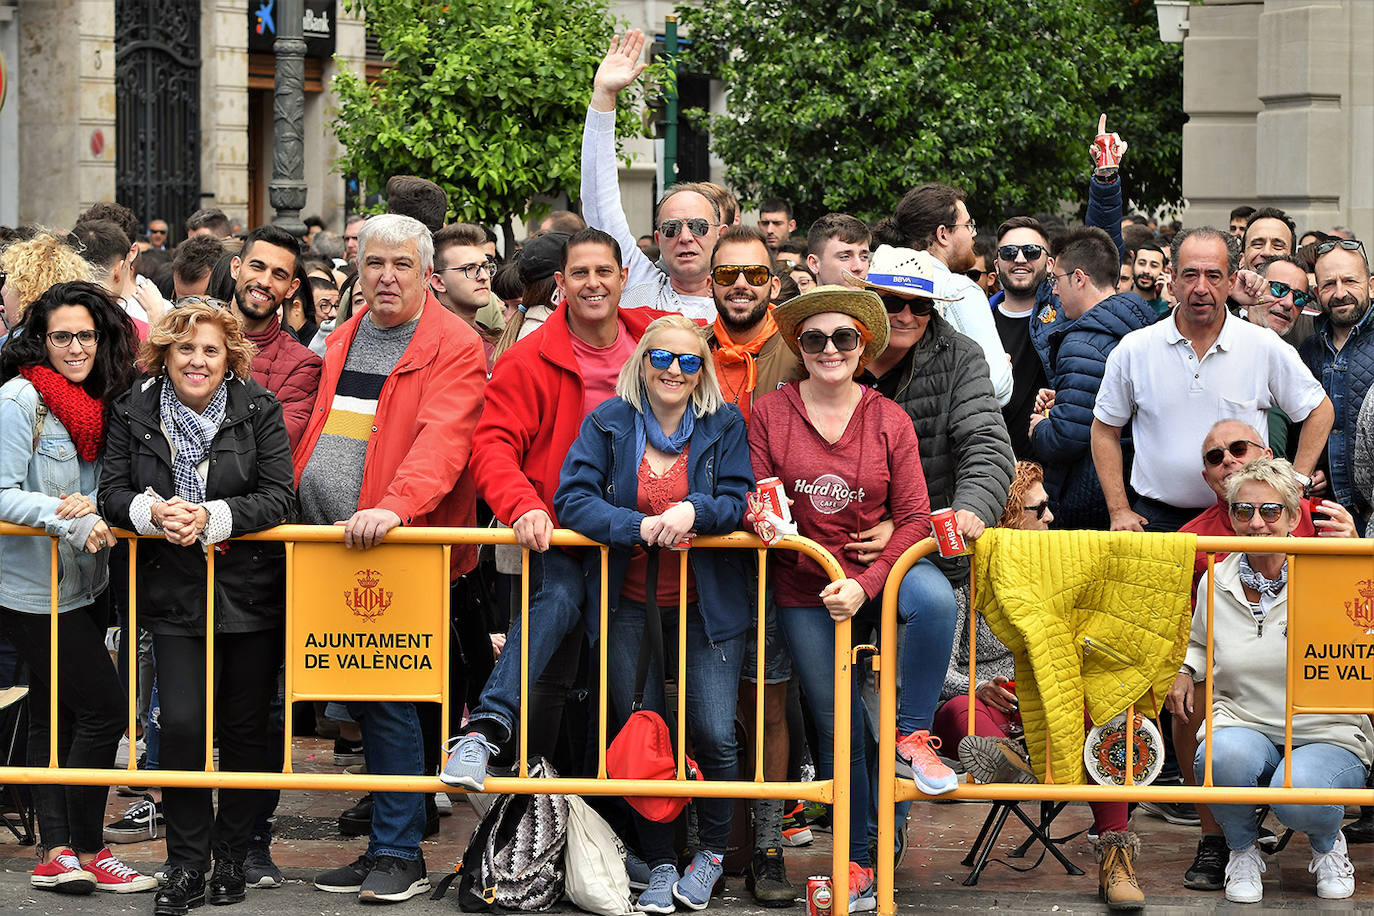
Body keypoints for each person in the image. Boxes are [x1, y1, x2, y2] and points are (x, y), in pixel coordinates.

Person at [300, 214, 486, 905]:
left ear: (427, 273)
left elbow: (443, 442)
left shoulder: (455, 344)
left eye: (401, 265)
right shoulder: (345, 335)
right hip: (330, 543)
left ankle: (400, 851)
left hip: (399, 546)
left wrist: (395, 507)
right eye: (373, 263)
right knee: (362, 697)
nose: (384, 277)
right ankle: (384, 842)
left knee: (390, 699)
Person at [444, 228, 667, 789]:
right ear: (560, 285)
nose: (593, 283)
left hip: (649, 534)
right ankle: (496, 743)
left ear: (622, 279)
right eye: (580, 273)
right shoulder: (528, 359)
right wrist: (522, 506)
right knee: (557, 653)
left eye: (604, 272)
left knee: (630, 691)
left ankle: (624, 830)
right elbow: (492, 446)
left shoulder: (657, 340)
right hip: (564, 531)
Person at [98, 301, 296, 915]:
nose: (197, 361)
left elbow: (280, 495)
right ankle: (184, 862)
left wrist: (214, 516)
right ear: (165, 352)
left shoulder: (258, 407)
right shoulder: (133, 408)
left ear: (229, 356)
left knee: (243, 732)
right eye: (185, 348)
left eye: (210, 350)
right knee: (180, 725)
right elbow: (110, 489)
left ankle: (231, 855)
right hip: (169, 592)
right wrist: (153, 513)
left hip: (250, 593)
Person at [747, 286, 937, 913]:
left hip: (872, 581)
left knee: (926, 624)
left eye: (844, 339)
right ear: (799, 348)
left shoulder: (890, 419)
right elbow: (758, 500)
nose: (830, 349)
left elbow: (913, 518)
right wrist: (797, 546)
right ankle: (861, 855)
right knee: (841, 727)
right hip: (803, 589)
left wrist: (865, 580)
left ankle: (913, 745)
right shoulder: (769, 413)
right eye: (815, 339)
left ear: (862, 348)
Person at [554, 314, 753, 912]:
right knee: (641, 734)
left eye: (689, 361)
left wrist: (697, 510)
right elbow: (573, 498)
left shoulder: (723, 424)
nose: (674, 369)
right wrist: (636, 525)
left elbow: (738, 498)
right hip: (629, 606)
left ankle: (712, 855)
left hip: (706, 606)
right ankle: (662, 861)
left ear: (703, 372)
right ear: (642, 362)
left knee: (716, 733)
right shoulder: (610, 422)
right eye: (662, 357)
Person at [0, 281, 154, 895]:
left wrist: (94, 505)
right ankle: (89, 847)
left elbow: (102, 485)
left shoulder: (101, 398)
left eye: (84, 335)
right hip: (32, 588)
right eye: (60, 336)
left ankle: (57, 851)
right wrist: (71, 515)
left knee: (53, 712)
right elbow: (4, 492)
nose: (73, 347)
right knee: (105, 709)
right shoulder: (19, 399)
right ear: (40, 338)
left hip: (88, 586)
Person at [936, 461, 1140, 910]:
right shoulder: (963, 584)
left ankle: (1117, 853)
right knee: (958, 713)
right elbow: (940, 674)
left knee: (1105, 715)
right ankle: (1008, 761)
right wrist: (975, 685)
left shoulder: (1066, 575)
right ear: (1006, 520)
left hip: (1053, 701)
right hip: (988, 701)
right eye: (1039, 509)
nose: (1051, 518)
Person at [1166, 457, 1371, 904]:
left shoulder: (1335, 569)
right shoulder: (1216, 577)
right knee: (1219, 759)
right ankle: (1241, 850)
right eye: (1243, 511)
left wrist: (1357, 560)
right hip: (1244, 719)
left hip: (1327, 730)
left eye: (1270, 511)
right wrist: (1184, 671)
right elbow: (1200, 644)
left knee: (1293, 796)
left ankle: (1326, 844)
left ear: (1294, 517)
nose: (1256, 522)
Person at [1091, 227, 1333, 532]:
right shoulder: (1134, 349)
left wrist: (1296, 483)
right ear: (1173, 278)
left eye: (1214, 276)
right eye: (1190, 275)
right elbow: (1104, 431)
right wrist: (1118, 509)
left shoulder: (1263, 346)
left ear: (1232, 281)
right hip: (1156, 522)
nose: (1201, 287)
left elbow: (1319, 410)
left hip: (1241, 521)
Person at [704, 225, 802, 903]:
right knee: (706, 710)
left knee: (768, 705)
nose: (741, 285)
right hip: (703, 558)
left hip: (776, 559)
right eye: (727, 274)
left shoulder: (802, 349)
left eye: (755, 274)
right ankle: (713, 842)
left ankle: (766, 845)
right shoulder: (684, 350)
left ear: (774, 282)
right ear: (709, 281)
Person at [581, 30, 719, 321]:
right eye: (670, 228)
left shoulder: (743, 301)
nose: (684, 237)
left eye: (698, 226)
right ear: (658, 237)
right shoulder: (639, 286)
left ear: (721, 234)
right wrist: (604, 97)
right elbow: (599, 202)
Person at [1028, 226, 1156, 528]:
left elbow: (1066, 438)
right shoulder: (1142, 322)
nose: (1055, 291)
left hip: (1089, 497)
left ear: (1078, 278)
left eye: (1056, 279)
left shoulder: (1082, 341)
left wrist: (1040, 427)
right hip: (1137, 489)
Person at [888, 184, 1013, 406]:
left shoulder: (881, 285)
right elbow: (995, 385)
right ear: (943, 234)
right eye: (968, 226)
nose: (973, 235)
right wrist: (1004, 369)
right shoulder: (959, 290)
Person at [1298, 238, 1374, 522]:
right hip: (1323, 514)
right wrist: (1314, 469)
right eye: (1329, 284)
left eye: (1350, 281)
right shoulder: (1307, 351)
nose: (1340, 293)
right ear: (1317, 293)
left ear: (1371, 285)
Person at [228, 226, 322, 448]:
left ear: (292, 288)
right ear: (236, 268)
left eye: (279, 275)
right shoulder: (189, 338)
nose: (265, 281)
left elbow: (275, 443)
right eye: (257, 267)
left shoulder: (303, 365)